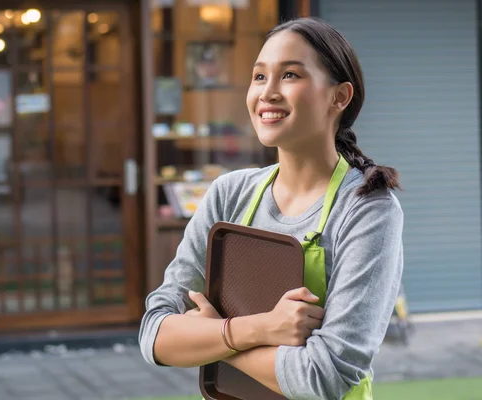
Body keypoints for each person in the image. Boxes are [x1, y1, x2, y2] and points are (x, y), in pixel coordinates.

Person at [139, 17, 404, 400]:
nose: (268, 93)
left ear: (339, 97)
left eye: (290, 75)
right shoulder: (229, 194)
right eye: (259, 77)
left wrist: (212, 338)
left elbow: (323, 377)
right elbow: (154, 333)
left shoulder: (367, 210)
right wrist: (260, 328)